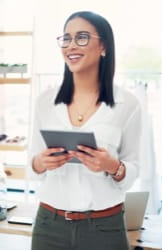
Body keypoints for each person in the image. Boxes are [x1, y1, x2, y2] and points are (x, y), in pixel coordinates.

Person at [30, 11, 142, 250]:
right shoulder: (45, 101)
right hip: (49, 225)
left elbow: (133, 170)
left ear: (103, 46)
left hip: (104, 228)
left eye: (82, 37)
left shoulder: (128, 104)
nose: (71, 45)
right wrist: (41, 162)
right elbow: (33, 167)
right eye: (66, 38)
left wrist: (112, 166)